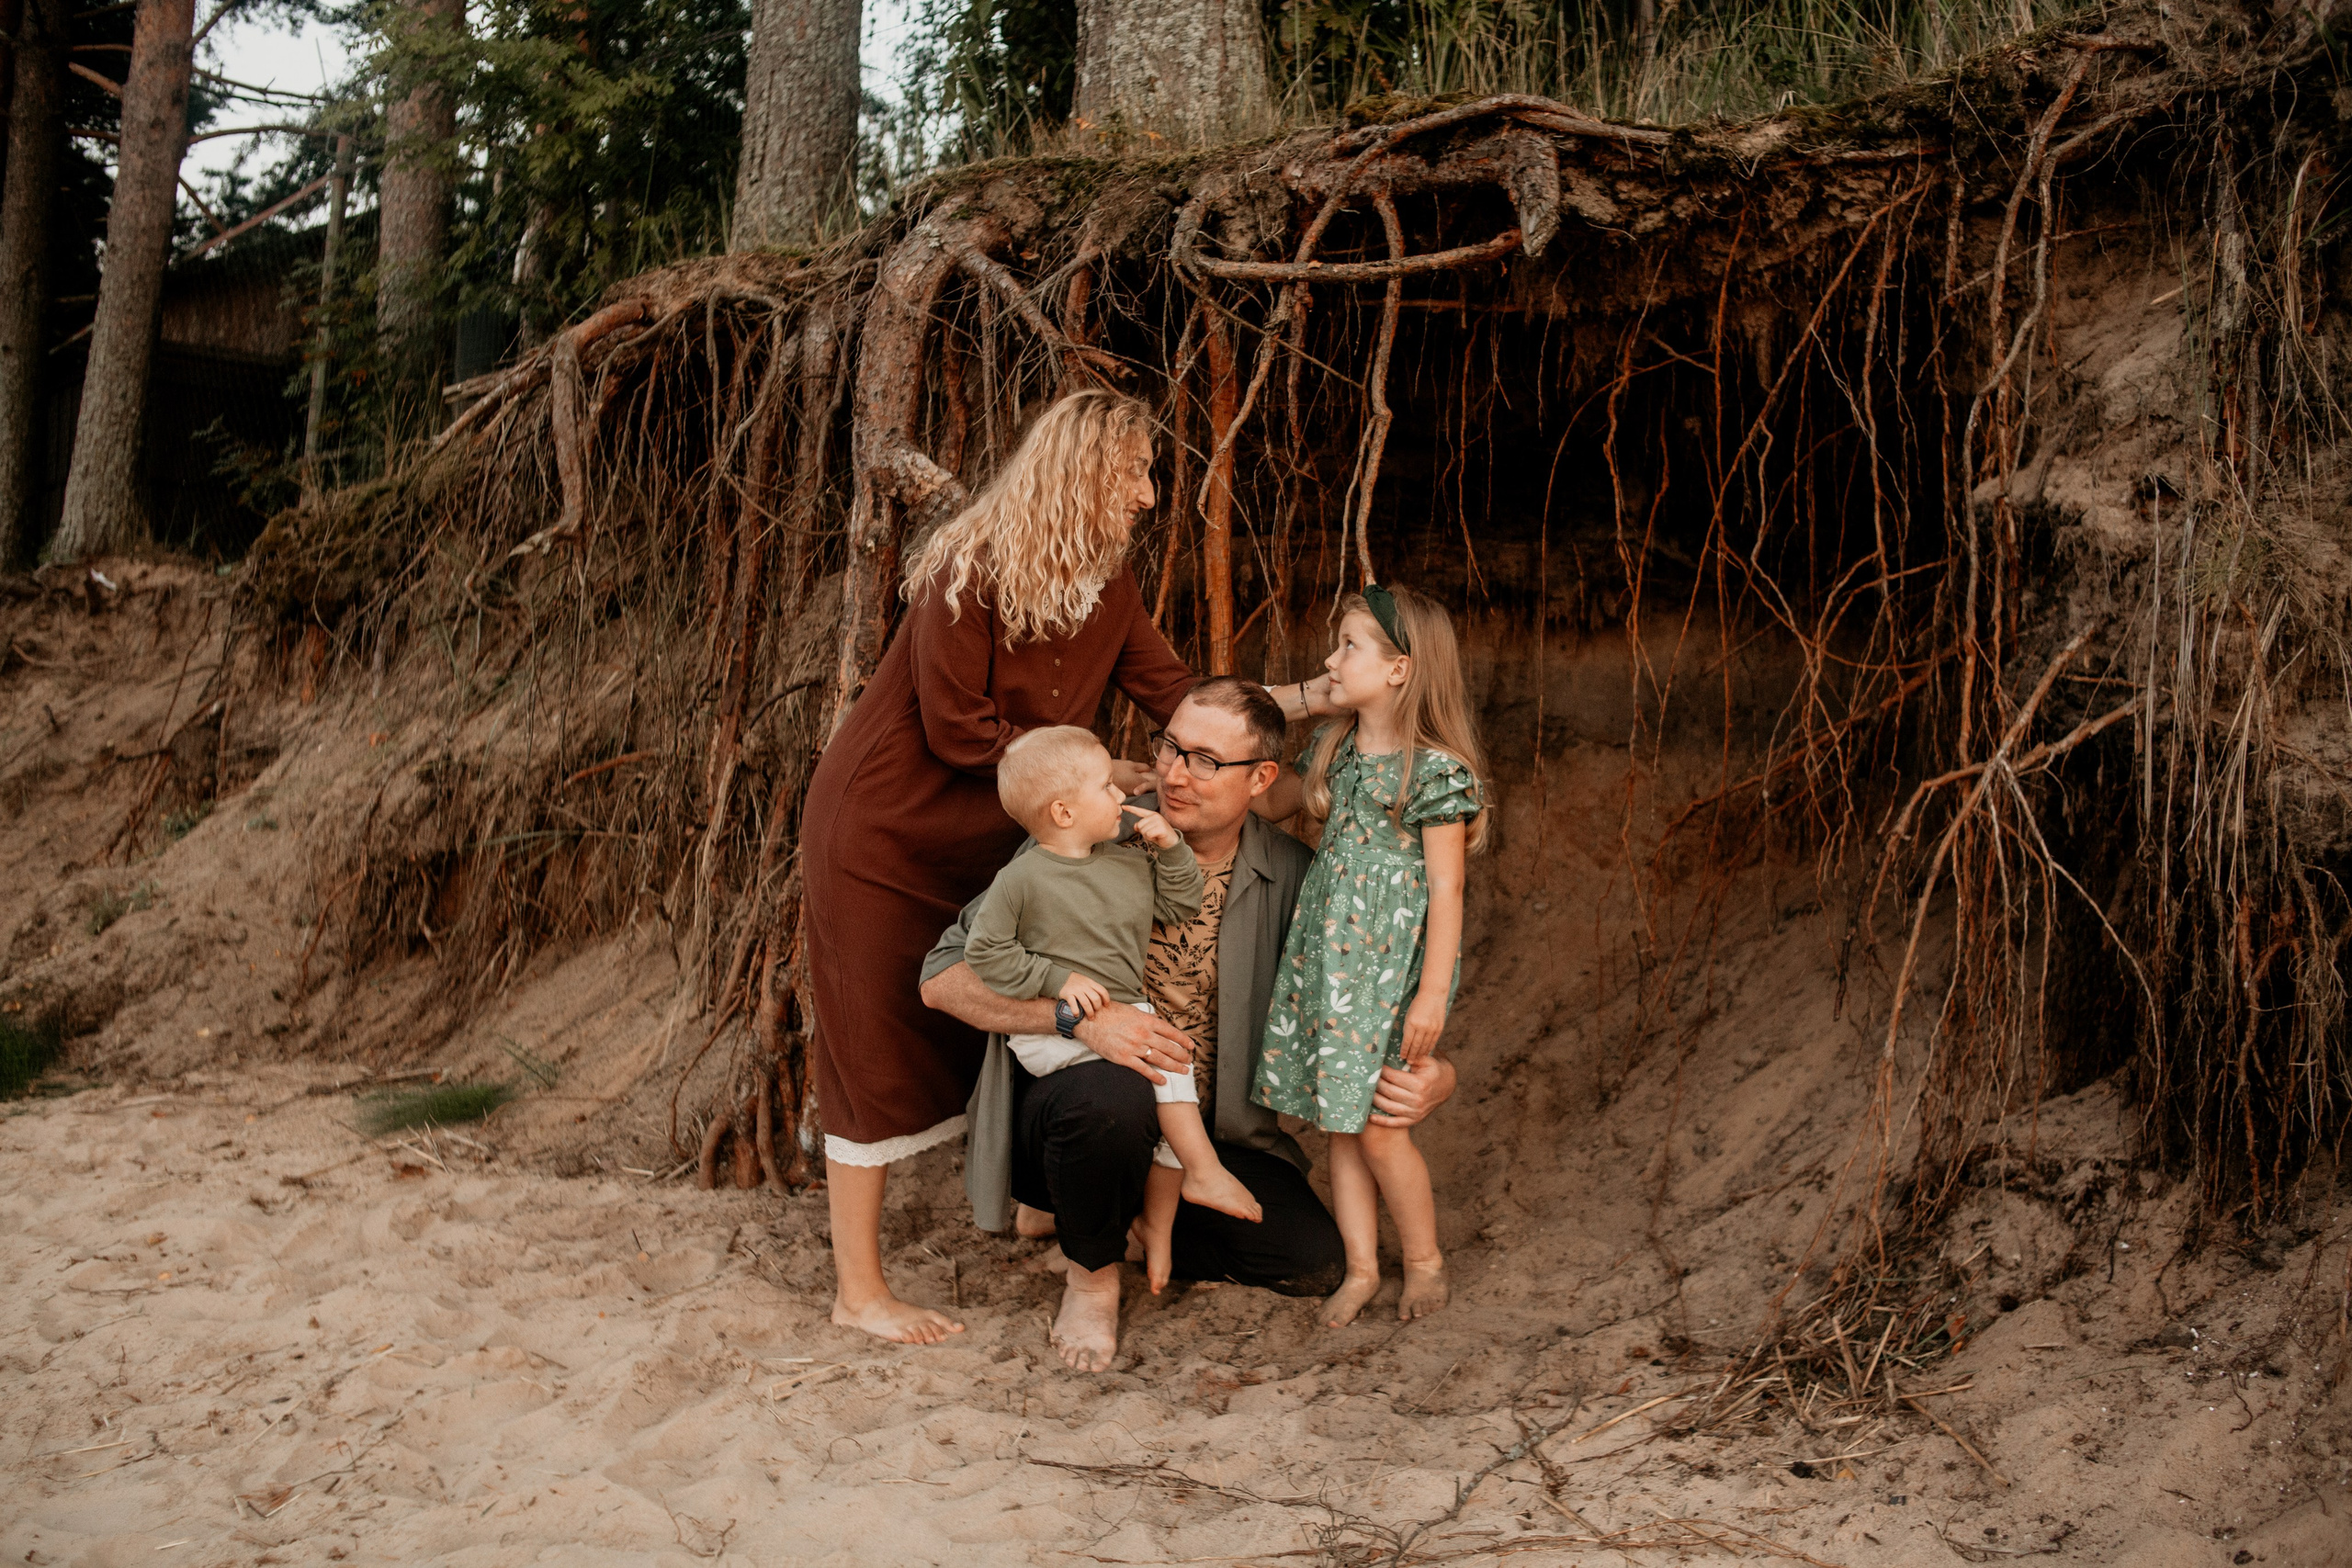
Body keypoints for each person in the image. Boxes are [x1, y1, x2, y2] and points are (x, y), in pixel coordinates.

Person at [798, 390, 1342, 1346]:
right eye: (1131, 473)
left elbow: (1177, 692)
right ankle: (859, 1290)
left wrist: (1301, 701)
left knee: (1032, 1011)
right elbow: (958, 730)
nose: (1144, 496)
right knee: (873, 1053)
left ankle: (1048, 1199)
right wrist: (1099, 771)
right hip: (884, 833)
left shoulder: (1106, 585)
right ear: (1082, 476)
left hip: (1009, 830)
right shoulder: (967, 571)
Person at [921, 678, 1460, 1371]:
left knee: (1310, 1259)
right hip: (1082, 1104)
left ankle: (1111, 1216)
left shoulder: (1295, 875)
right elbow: (941, 980)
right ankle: (1092, 1276)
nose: (1174, 772)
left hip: (1208, 1134)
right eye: (1171, 746)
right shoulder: (1086, 834)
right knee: (1111, 1099)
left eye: (1205, 759)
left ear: (1262, 777)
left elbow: (1360, 998)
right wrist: (1077, 1022)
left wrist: (1436, 1074)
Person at [1250, 584, 1490, 1328]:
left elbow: (1447, 893)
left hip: (1389, 977)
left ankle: (1423, 1261)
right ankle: (1360, 1268)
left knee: (1383, 1126)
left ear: (1398, 669)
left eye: (1349, 645)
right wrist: (1296, 708)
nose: (1330, 657)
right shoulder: (1338, 747)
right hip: (1328, 966)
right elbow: (1269, 798)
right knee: (1340, 1123)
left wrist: (1431, 997)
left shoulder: (1435, 771)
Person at [962, 726, 1262, 1293]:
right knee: (1133, 1092)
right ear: (1064, 812)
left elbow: (1181, 903)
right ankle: (1190, 1180)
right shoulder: (1021, 879)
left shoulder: (1127, 862)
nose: (1123, 797)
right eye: (1106, 787)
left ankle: (1163, 1213)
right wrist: (1055, 980)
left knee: (1173, 1073)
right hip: (1055, 1025)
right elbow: (985, 953)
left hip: (1127, 1008)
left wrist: (1171, 849)